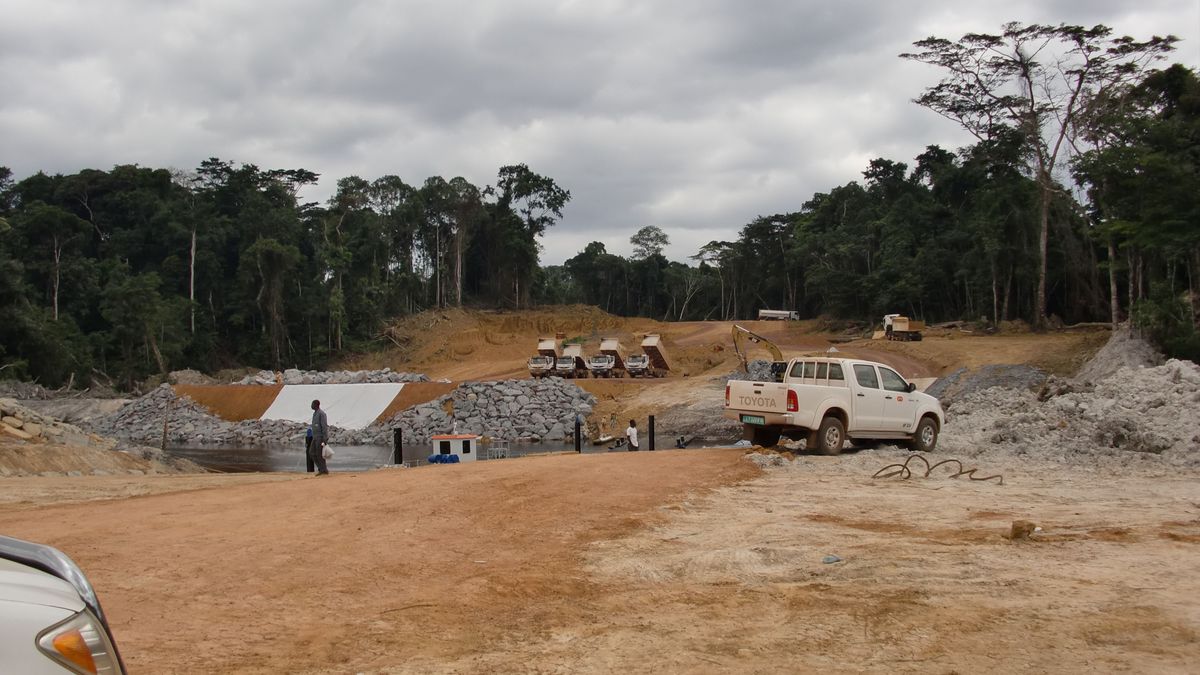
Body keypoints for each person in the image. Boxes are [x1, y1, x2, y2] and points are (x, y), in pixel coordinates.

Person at [308, 399, 330, 475]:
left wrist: (325, 438)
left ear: (316, 405)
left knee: (319, 454)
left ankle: (323, 470)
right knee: (312, 452)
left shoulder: (321, 414)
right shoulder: (315, 414)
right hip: (315, 437)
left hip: (320, 437)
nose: (311, 405)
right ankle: (321, 468)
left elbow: (324, 426)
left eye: (312, 404)